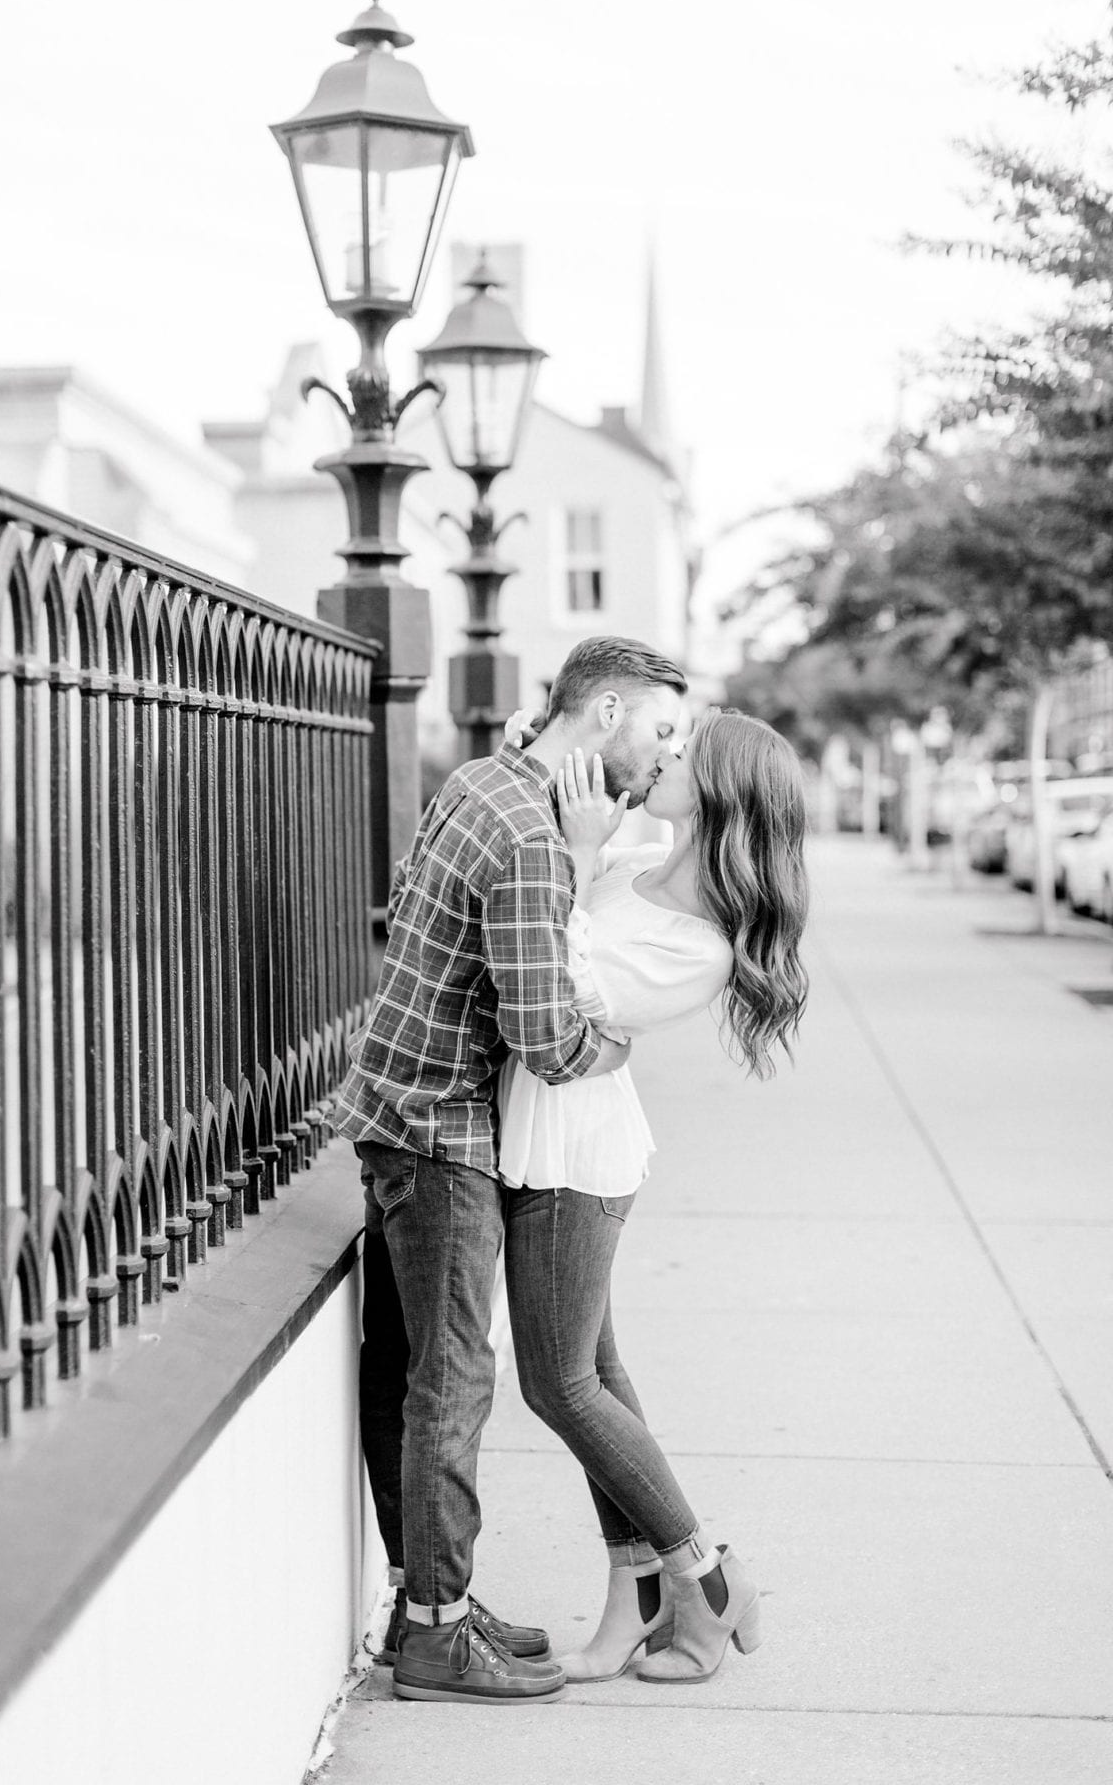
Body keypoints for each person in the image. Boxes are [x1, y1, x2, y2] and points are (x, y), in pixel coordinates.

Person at [332, 635, 688, 1704]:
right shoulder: (537, 839)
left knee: (408, 1367)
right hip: (444, 1132)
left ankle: (422, 1608)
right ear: (607, 710)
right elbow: (546, 1036)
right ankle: (438, 1635)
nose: (665, 757)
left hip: (395, 1105)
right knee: (453, 1378)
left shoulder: (478, 780)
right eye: (662, 730)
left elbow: (415, 922)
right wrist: (615, 1041)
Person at [498, 705, 809, 1683]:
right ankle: (637, 1596)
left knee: (560, 1385)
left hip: (575, 1155)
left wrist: (579, 859)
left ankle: (707, 1583)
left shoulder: (705, 944)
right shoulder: (635, 858)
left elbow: (576, 992)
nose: (664, 754)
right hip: (540, 1130)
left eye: (684, 750)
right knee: (595, 1372)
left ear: (719, 792)